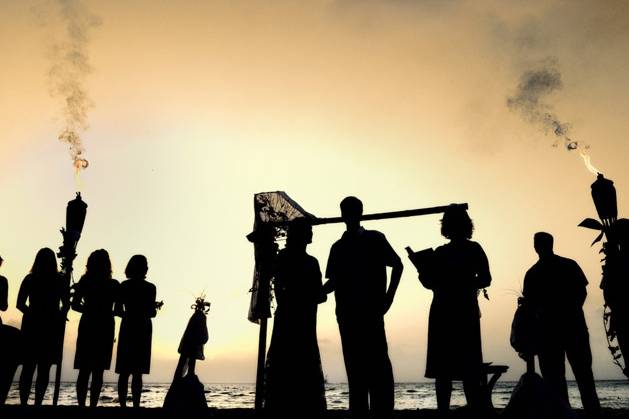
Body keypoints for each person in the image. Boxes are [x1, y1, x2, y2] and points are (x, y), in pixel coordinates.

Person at [323, 196, 403, 418]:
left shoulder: (376, 239)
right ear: (342, 215)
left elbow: (398, 265)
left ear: (360, 213)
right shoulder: (338, 247)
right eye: (346, 211)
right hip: (347, 315)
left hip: (371, 312)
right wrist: (315, 292)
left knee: (378, 366)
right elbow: (334, 281)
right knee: (355, 367)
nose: (349, 215)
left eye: (352, 210)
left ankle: (382, 411)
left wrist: (389, 298)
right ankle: (359, 411)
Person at [418, 207, 491, 415]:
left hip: (453, 311)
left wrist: (460, 284)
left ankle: (452, 412)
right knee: (454, 369)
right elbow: (430, 282)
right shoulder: (455, 251)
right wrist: (423, 271)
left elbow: (485, 278)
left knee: (456, 369)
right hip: (452, 311)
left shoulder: (456, 251)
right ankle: (467, 412)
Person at [523, 232, 600, 415]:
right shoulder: (567, 265)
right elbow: (582, 292)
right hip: (567, 329)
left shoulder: (533, 273)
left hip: (555, 331)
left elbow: (530, 305)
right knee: (579, 377)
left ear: (536, 247)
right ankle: (590, 413)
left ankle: (568, 414)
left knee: (561, 379)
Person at [264, 218, 327, 413]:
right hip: (299, 321)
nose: (311, 233)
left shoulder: (282, 259)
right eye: (308, 230)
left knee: (285, 365)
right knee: (300, 365)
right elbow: (319, 296)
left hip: (292, 318)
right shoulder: (306, 262)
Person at [16, 248, 66, 405]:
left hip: (42, 326)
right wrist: (55, 315)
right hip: (41, 326)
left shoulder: (35, 279)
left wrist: (56, 315)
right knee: (39, 367)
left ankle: (28, 402)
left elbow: (19, 304)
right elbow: (66, 306)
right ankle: (34, 402)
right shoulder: (56, 280)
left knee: (33, 367)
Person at [71, 249, 120, 407]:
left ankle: (81, 406)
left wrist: (88, 309)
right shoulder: (113, 284)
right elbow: (118, 309)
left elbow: (75, 305)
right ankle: (92, 406)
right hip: (105, 325)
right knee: (98, 371)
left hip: (89, 324)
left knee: (84, 370)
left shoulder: (85, 281)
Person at [114, 255, 157, 407]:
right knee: (137, 371)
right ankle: (136, 406)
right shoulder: (150, 288)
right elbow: (153, 312)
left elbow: (117, 310)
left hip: (128, 326)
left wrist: (130, 314)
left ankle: (123, 405)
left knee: (124, 371)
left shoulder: (124, 286)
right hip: (143, 327)